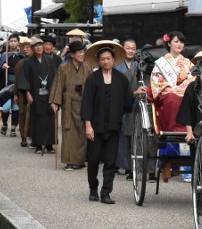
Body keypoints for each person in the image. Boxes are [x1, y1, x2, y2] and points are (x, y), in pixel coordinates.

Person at [80, 42, 132, 204]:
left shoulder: (121, 79)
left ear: (114, 59)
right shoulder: (92, 79)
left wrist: (135, 95)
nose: (106, 61)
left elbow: (127, 102)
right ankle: (93, 188)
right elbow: (86, 103)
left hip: (114, 126)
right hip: (95, 126)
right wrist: (88, 125)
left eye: (108, 58)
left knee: (110, 161)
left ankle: (106, 192)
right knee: (94, 160)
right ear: (98, 60)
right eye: (102, 59)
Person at [51, 40, 91, 170]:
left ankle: (79, 160)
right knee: (68, 132)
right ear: (72, 54)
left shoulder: (88, 67)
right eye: (79, 52)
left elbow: (93, 87)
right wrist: (55, 102)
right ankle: (69, 161)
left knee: (82, 132)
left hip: (84, 103)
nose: (81, 54)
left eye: (83, 52)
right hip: (68, 103)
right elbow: (58, 85)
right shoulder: (64, 68)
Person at [18, 35, 59, 154]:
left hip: (48, 93)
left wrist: (55, 94)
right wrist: (27, 93)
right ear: (32, 48)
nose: (39, 48)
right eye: (36, 46)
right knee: (37, 118)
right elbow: (24, 78)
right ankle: (38, 144)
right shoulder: (28, 62)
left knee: (50, 117)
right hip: (35, 94)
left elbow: (55, 78)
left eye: (40, 45)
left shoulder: (50, 61)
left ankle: (49, 144)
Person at [148, 31, 194, 135]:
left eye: (181, 42)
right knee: (172, 99)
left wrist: (183, 89)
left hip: (183, 92)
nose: (179, 44)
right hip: (168, 92)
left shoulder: (187, 62)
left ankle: (189, 130)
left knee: (191, 100)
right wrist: (171, 89)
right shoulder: (161, 62)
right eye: (176, 41)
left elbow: (193, 78)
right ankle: (172, 129)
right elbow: (156, 79)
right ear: (169, 44)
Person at [114, 38, 139, 176]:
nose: (130, 51)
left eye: (133, 48)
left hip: (135, 105)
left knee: (133, 134)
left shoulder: (138, 65)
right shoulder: (116, 65)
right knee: (120, 135)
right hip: (120, 104)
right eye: (128, 48)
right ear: (123, 49)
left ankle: (131, 165)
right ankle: (118, 163)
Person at [0, 34, 24, 137]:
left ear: (18, 43)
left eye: (15, 41)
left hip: (17, 84)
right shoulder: (4, 55)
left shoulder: (21, 56)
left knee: (15, 107)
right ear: (8, 43)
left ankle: (13, 128)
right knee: (5, 107)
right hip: (6, 83)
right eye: (11, 41)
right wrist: (2, 66)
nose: (13, 43)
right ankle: (5, 123)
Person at [14, 37, 33, 146]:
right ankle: (23, 137)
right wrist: (15, 94)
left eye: (28, 47)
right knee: (22, 114)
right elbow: (17, 79)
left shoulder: (36, 61)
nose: (25, 49)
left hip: (34, 92)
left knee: (32, 116)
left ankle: (31, 135)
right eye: (24, 48)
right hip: (21, 92)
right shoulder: (20, 62)